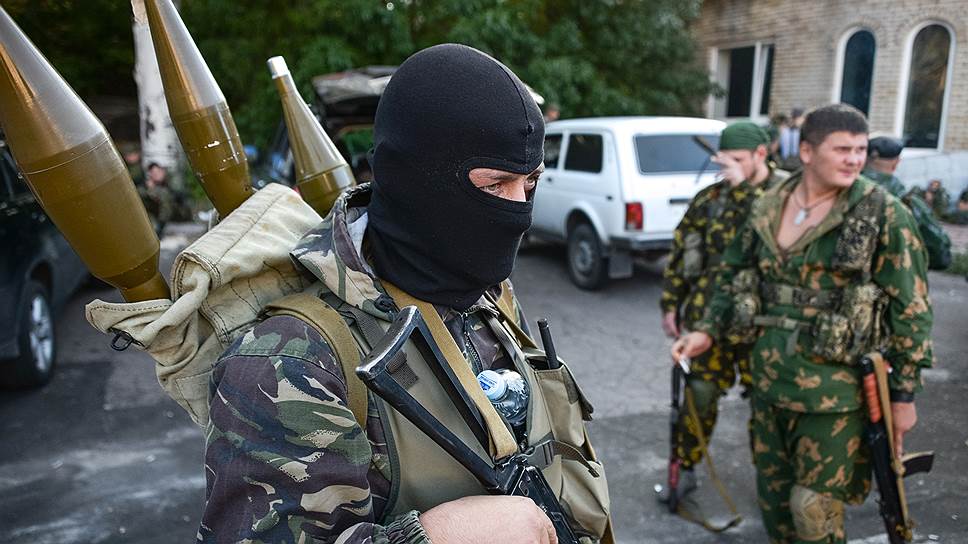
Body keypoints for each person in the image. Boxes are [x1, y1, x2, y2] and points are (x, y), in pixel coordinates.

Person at [197, 44, 609, 544]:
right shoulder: (289, 361)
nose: (519, 211)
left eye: (531, 183)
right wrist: (434, 537)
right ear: (412, 180)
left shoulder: (486, 292)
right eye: (495, 184)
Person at [672, 104, 933, 543]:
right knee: (775, 508)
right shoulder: (769, 204)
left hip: (836, 398)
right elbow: (735, 271)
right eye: (843, 149)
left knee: (813, 511)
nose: (855, 159)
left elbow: (912, 309)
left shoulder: (882, 212)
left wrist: (904, 396)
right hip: (769, 386)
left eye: (861, 150)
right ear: (807, 152)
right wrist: (706, 331)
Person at [658, 121, 788, 501]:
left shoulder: (785, 195)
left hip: (763, 319)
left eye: (738, 159)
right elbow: (683, 249)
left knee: (767, 402)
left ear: (761, 154)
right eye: (725, 159)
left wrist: (744, 188)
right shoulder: (711, 198)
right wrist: (671, 302)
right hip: (707, 317)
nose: (728, 167)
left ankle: (775, 483)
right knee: (698, 394)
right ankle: (685, 469)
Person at [864, 136, 952, 270]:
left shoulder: (839, 190)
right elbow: (940, 253)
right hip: (891, 275)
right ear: (896, 163)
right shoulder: (908, 202)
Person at [139, 162, 174, 237]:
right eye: (154, 173)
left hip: (167, 221)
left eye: (158, 172)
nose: (157, 174)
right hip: (155, 222)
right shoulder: (143, 188)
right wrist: (151, 189)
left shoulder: (168, 185)